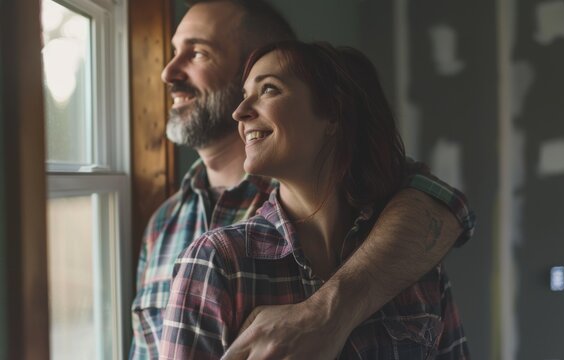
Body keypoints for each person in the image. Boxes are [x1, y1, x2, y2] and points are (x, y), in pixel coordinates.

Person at [131, 1, 475, 359]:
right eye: (174, 52)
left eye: (198, 52)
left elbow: (444, 202)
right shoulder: (165, 224)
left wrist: (328, 311)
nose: (167, 72)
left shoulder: (398, 233)